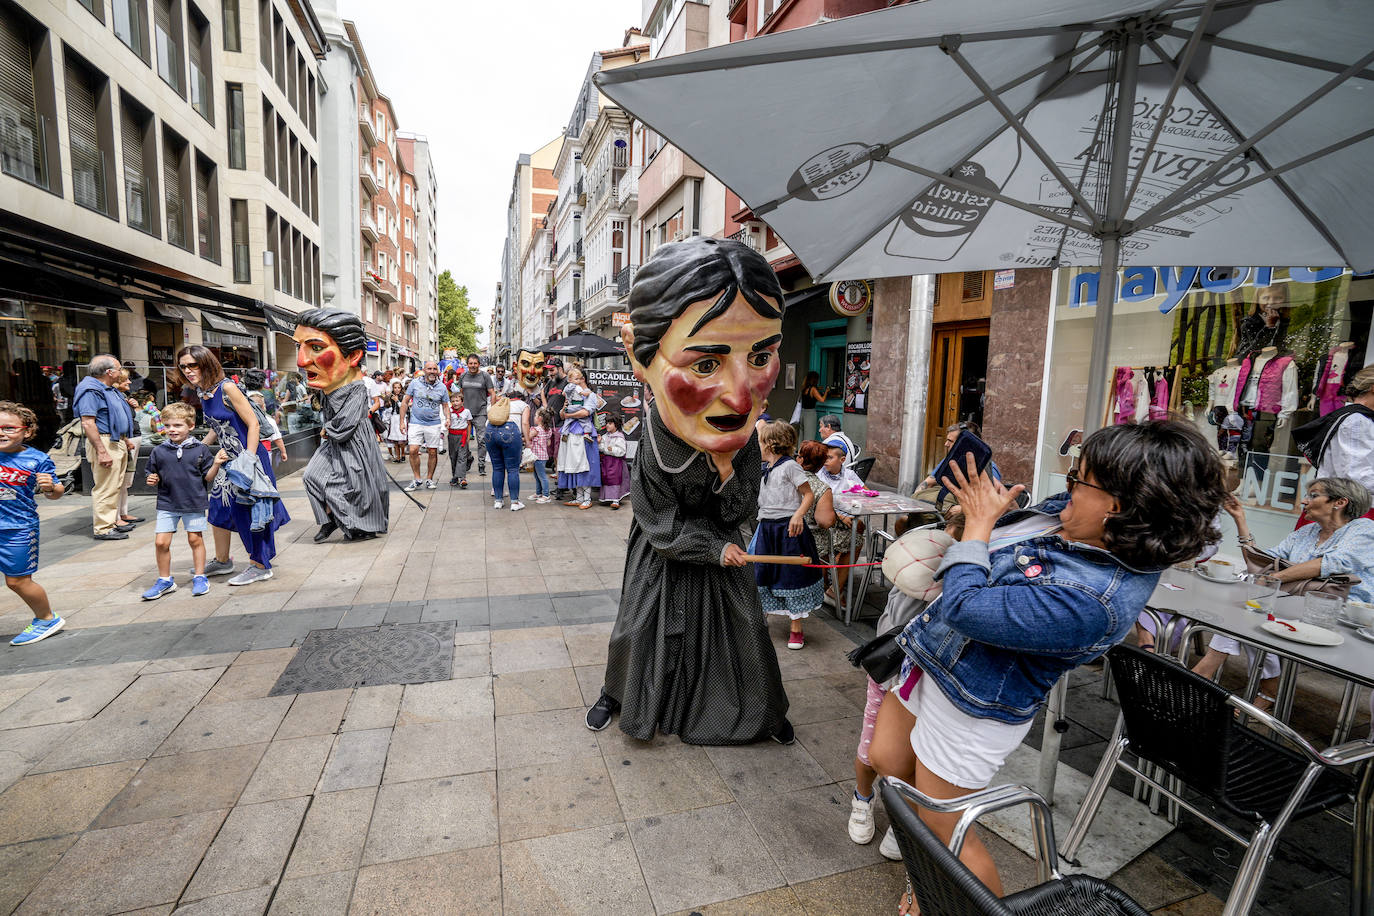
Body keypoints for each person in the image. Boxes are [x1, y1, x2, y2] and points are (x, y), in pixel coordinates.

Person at [867, 422, 1225, 913]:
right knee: (888, 762)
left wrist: (977, 527)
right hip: (932, 657)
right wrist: (993, 515)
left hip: (972, 704)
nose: (1068, 486)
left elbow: (966, 607)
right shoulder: (1078, 518)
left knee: (945, 828)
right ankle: (923, 860)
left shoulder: (1098, 599)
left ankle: (942, 890)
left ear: (1122, 504)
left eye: (1081, 480)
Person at [585, 236, 794, 746]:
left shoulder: (741, 438)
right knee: (637, 630)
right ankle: (618, 692)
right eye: (705, 364)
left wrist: (726, 474)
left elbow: (743, 506)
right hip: (664, 557)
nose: (742, 395)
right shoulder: (653, 440)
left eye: (761, 355)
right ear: (640, 356)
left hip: (725, 559)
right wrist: (711, 546)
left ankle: (760, 707)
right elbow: (658, 524)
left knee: (744, 635)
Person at [1192, 477, 1374, 710]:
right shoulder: (1308, 531)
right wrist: (1240, 519)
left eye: (1313, 495)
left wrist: (1273, 580)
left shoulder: (1364, 529)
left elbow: (1332, 563)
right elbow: (1261, 564)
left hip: (1341, 615)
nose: (1304, 501)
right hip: (1294, 605)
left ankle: (1207, 677)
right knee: (1248, 611)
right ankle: (1254, 684)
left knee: (1254, 611)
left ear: (1339, 502)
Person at [176, 346, 289, 586]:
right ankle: (222, 560)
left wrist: (248, 458)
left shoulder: (227, 387)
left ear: (206, 364)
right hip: (228, 460)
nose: (187, 370)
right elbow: (218, 428)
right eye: (183, 366)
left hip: (249, 460)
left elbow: (253, 424)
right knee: (218, 508)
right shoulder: (204, 391)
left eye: (192, 365)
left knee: (250, 511)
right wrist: (197, 446)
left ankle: (260, 565)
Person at [295, 309, 392, 543]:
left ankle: (360, 524)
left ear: (353, 356)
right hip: (333, 440)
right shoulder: (329, 386)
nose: (301, 360)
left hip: (354, 442)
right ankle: (331, 518)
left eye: (316, 347)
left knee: (359, 487)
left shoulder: (357, 388)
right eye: (300, 347)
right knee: (311, 477)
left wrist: (328, 428)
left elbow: (348, 420)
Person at [0, 402, 67, 646]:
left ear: (27, 431)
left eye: (8, 428)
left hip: (17, 528)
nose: (1, 432)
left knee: (17, 581)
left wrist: (50, 488)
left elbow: (56, 491)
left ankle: (46, 618)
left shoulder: (37, 459)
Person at [752, 421, 823, 650]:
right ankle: (762, 620)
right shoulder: (764, 467)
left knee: (791, 576)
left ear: (771, 445)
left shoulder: (791, 466)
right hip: (766, 528)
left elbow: (808, 495)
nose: (758, 446)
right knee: (764, 572)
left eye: (761, 441)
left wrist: (797, 516)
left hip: (788, 529)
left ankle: (796, 628)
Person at [141, 402, 223, 600]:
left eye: (177, 425)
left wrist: (217, 463)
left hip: (193, 502)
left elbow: (208, 478)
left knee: (195, 539)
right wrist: (151, 479)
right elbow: (151, 474)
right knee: (161, 542)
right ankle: (165, 580)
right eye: (168, 425)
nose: (172, 429)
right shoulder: (158, 451)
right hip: (167, 503)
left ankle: (200, 576)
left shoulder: (200, 450)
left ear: (190, 426)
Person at [73, 355, 138, 540]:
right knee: (106, 487)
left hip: (115, 441)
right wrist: (102, 451)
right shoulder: (90, 390)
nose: (121, 372)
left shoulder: (107, 389)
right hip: (104, 442)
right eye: (118, 369)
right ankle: (103, 528)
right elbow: (88, 423)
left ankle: (111, 522)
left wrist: (125, 440)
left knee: (114, 486)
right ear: (109, 372)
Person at [1295, 364, 1374, 511]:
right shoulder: (1358, 420)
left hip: (1339, 508)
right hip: (1347, 513)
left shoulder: (1352, 417)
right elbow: (1355, 477)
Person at [557, 368, 602, 510]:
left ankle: (587, 498)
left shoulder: (591, 395)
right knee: (574, 464)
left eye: (579, 378)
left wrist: (568, 415)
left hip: (583, 434)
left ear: (583, 379)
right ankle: (579, 497)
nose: (577, 381)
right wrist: (564, 411)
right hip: (571, 432)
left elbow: (585, 412)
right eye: (575, 378)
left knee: (584, 465)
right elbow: (562, 413)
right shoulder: (570, 392)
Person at [401, 361, 449, 492]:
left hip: (433, 423)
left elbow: (445, 405)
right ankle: (417, 479)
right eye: (429, 369)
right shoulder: (415, 383)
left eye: (434, 369)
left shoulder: (442, 387)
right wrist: (401, 422)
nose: (432, 371)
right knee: (413, 450)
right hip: (416, 422)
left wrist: (448, 418)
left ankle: (429, 479)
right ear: (424, 370)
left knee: (432, 452)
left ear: (438, 371)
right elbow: (405, 402)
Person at [112, 369, 145, 530]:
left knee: (126, 480)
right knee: (120, 481)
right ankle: (116, 516)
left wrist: (135, 406)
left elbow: (133, 418)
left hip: (132, 438)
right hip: (126, 440)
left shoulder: (123, 397)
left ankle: (123, 513)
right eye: (126, 380)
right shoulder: (114, 397)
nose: (129, 382)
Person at [488, 388, 528, 511]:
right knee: (512, 469)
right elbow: (525, 423)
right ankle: (515, 502)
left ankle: (498, 501)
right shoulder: (523, 405)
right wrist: (528, 442)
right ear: (521, 398)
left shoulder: (501, 403)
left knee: (497, 468)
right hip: (510, 432)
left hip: (490, 432)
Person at [459, 354, 496, 476]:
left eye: (475, 363)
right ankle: (468, 458)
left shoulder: (485, 376)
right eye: (471, 363)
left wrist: (492, 408)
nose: (473, 365)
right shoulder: (463, 375)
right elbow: (460, 393)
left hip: (480, 412)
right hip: (466, 413)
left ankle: (481, 464)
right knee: (464, 440)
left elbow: (492, 393)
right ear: (467, 364)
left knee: (482, 440)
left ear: (479, 364)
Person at [598, 414, 630, 510]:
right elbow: (602, 448)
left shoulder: (619, 437)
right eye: (607, 423)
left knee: (615, 479)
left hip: (616, 463)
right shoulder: (605, 436)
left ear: (616, 425)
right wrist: (599, 443)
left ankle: (615, 499)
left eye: (610, 423)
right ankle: (606, 496)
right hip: (607, 462)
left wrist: (611, 449)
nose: (607, 425)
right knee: (606, 478)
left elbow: (622, 451)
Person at [248, 392, 288, 465]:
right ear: (264, 407)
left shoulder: (246, 421)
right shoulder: (270, 421)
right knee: (266, 473)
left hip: (249, 453)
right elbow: (278, 439)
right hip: (266, 451)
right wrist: (283, 452)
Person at [528, 407, 557, 504]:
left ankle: (546, 495)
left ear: (540, 418)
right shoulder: (548, 430)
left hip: (538, 457)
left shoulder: (536, 430)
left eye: (535, 416)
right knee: (537, 476)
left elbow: (528, 437)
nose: (534, 417)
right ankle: (538, 493)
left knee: (541, 476)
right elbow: (548, 443)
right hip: (542, 456)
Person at [447, 392, 473, 488]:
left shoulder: (466, 412)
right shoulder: (449, 411)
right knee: (453, 456)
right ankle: (455, 476)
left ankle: (462, 478)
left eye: (457, 401)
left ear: (462, 402)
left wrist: (468, 437)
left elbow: (469, 424)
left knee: (462, 457)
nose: (455, 403)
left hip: (462, 436)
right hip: (452, 436)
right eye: (453, 401)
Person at [799, 370, 831, 440]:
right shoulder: (813, 389)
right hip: (810, 414)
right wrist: (826, 392)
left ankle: (800, 450)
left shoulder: (804, 388)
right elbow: (822, 400)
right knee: (809, 436)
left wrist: (818, 388)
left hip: (802, 413)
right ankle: (808, 451)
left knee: (801, 436)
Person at [385, 381, 407, 461]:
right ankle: (398, 457)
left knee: (401, 439)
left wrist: (397, 401)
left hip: (400, 418)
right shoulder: (391, 396)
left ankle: (403, 454)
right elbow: (387, 406)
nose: (397, 389)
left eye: (398, 388)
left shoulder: (403, 396)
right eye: (395, 388)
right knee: (395, 440)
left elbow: (403, 407)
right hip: (393, 418)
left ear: (401, 388)